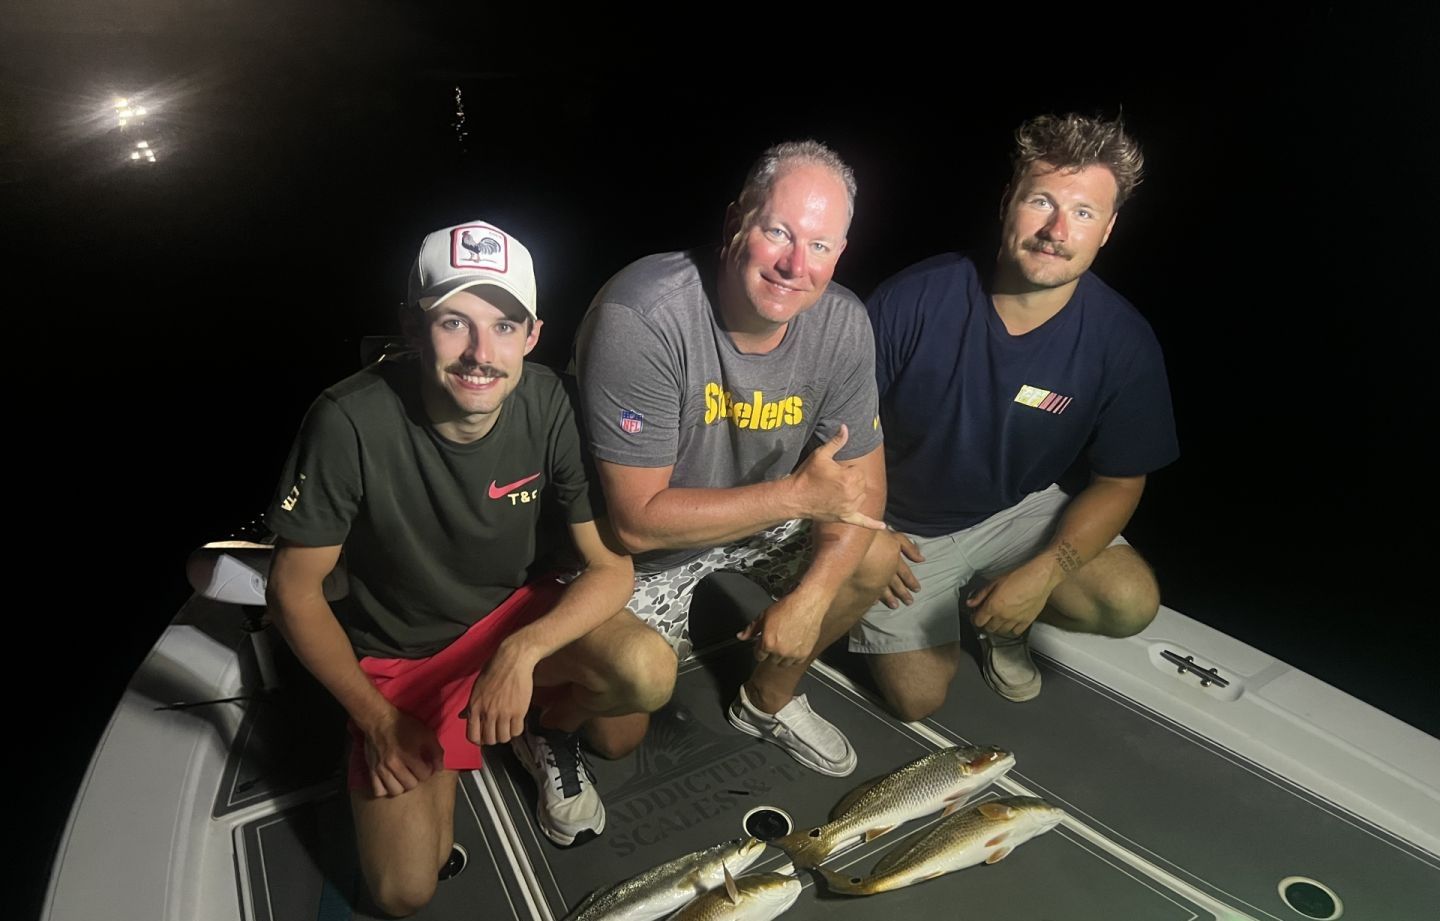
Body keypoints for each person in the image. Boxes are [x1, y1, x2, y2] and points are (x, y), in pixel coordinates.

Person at [263, 219, 674, 916]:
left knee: (642, 686)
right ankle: (445, 732)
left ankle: (542, 727)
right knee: (404, 890)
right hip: (404, 655)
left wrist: (521, 651)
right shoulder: (346, 420)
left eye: (504, 326)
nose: (482, 353)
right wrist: (377, 720)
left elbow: (611, 567)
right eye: (454, 322)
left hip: (514, 615)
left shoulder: (550, 401)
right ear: (412, 327)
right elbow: (292, 593)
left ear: (533, 335)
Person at [573, 140, 895, 780]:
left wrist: (812, 598)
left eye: (820, 245)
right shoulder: (644, 315)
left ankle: (766, 700)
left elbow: (865, 488)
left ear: (839, 253)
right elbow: (635, 522)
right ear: (733, 225)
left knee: (875, 554)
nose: (795, 265)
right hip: (639, 551)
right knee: (618, 733)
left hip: (754, 519)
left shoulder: (843, 323)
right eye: (778, 232)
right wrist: (798, 497)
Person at [854, 113, 1179, 719]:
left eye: (1083, 212)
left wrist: (1045, 573)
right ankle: (956, 601)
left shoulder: (1123, 342)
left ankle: (1006, 619)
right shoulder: (913, 299)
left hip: (1013, 512)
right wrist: (866, 534)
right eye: (1041, 202)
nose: (1057, 230)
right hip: (897, 523)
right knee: (917, 700)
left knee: (1129, 601)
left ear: (1107, 229)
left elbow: (1120, 480)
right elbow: (835, 433)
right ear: (1008, 201)